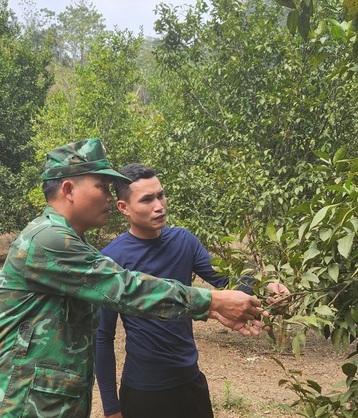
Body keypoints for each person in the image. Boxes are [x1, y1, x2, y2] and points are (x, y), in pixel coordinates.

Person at [0, 138, 268, 418]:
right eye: (102, 187)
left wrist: (260, 287)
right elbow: (126, 288)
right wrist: (212, 301)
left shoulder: (73, 242)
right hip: (15, 407)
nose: (109, 197)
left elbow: (224, 276)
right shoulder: (48, 240)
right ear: (68, 190)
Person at [95, 163, 289, 418]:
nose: (159, 206)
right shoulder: (111, 259)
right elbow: (102, 336)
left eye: (161, 195)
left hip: (190, 381)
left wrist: (266, 288)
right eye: (147, 199)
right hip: (143, 390)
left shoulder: (184, 241)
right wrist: (111, 407)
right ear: (124, 208)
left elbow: (227, 282)